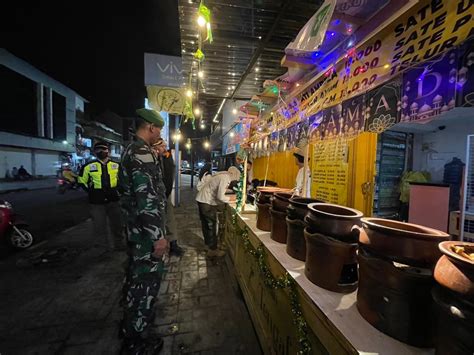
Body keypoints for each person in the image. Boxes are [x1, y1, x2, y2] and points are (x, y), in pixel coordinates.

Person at [118, 108, 168, 354]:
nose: (159, 134)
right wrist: (158, 238)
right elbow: (146, 198)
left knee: (134, 281)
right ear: (151, 127)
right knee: (146, 285)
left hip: (134, 231)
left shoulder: (130, 149)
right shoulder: (140, 153)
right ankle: (136, 342)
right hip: (146, 236)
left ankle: (128, 328)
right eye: (158, 129)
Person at [77, 141, 123, 250]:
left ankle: (119, 245)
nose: (101, 152)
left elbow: (123, 181)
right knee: (99, 226)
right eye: (98, 150)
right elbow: (81, 181)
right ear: (95, 152)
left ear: (109, 151)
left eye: (104, 149)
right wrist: (91, 192)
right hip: (97, 202)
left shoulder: (116, 165)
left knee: (118, 225)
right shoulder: (88, 166)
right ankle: (102, 248)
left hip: (114, 201)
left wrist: (119, 192)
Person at [196, 166, 240, 257]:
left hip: (202, 200)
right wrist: (232, 199)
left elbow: (218, 189)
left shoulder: (222, 175)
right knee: (211, 225)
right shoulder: (226, 178)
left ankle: (208, 245)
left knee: (206, 225)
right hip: (206, 202)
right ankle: (213, 250)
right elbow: (220, 197)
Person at [152, 139, 184, 257]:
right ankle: (159, 245)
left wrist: (167, 157)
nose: (165, 149)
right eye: (162, 146)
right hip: (154, 196)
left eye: (165, 146)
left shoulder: (165, 158)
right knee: (160, 220)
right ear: (155, 147)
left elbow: (170, 172)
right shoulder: (151, 159)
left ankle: (173, 244)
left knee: (170, 218)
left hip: (166, 194)